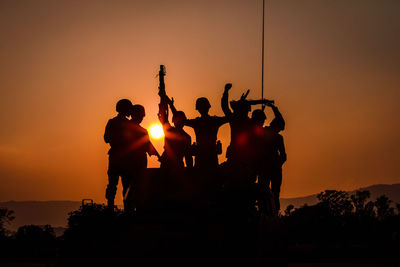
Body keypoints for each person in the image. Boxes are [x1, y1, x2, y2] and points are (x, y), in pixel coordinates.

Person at [124, 104, 159, 211]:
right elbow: (148, 146)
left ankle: (132, 210)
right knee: (131, 188)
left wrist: (158, 155)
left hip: (136, 163)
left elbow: (148, 146)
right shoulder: (128, 128)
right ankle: (131, 210)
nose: (141, 118)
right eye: (140, 116)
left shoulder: (137, 129)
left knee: (132, 187)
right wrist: (158, 155)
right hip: (132, 163)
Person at [253, 104, 287, 212]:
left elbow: (283, 155)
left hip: (267, 168)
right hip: (268, 168)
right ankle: (270, 213)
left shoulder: (264, 133)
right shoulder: (274, 136)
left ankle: (270, 213)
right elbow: (283, 156)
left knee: (270, 193)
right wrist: (274, 108)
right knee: (270, 193)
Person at [183, 96, 228, 169]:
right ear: (209, 107)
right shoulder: (214, 121)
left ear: (198, 109)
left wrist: (171, 105)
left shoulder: (197, 122)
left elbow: (181, 119)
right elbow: (228, 117)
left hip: (202, 158)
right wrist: (225, 94)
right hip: (210, 157)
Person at [104, 99, 133, 209]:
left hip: (116, 156)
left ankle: (110, 208)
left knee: (113, 185)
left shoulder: (112, 122)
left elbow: (106, 138)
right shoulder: (128, 124)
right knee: (125, 185)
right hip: (124, 158)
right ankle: (126, 209)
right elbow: (107, 138)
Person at [158, 94, 193, 169]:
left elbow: (188, 156)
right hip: (172, 164)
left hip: (172, 164)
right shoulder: (186, 136)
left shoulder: (170, 131)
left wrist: (164, 100)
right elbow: (188, 157)